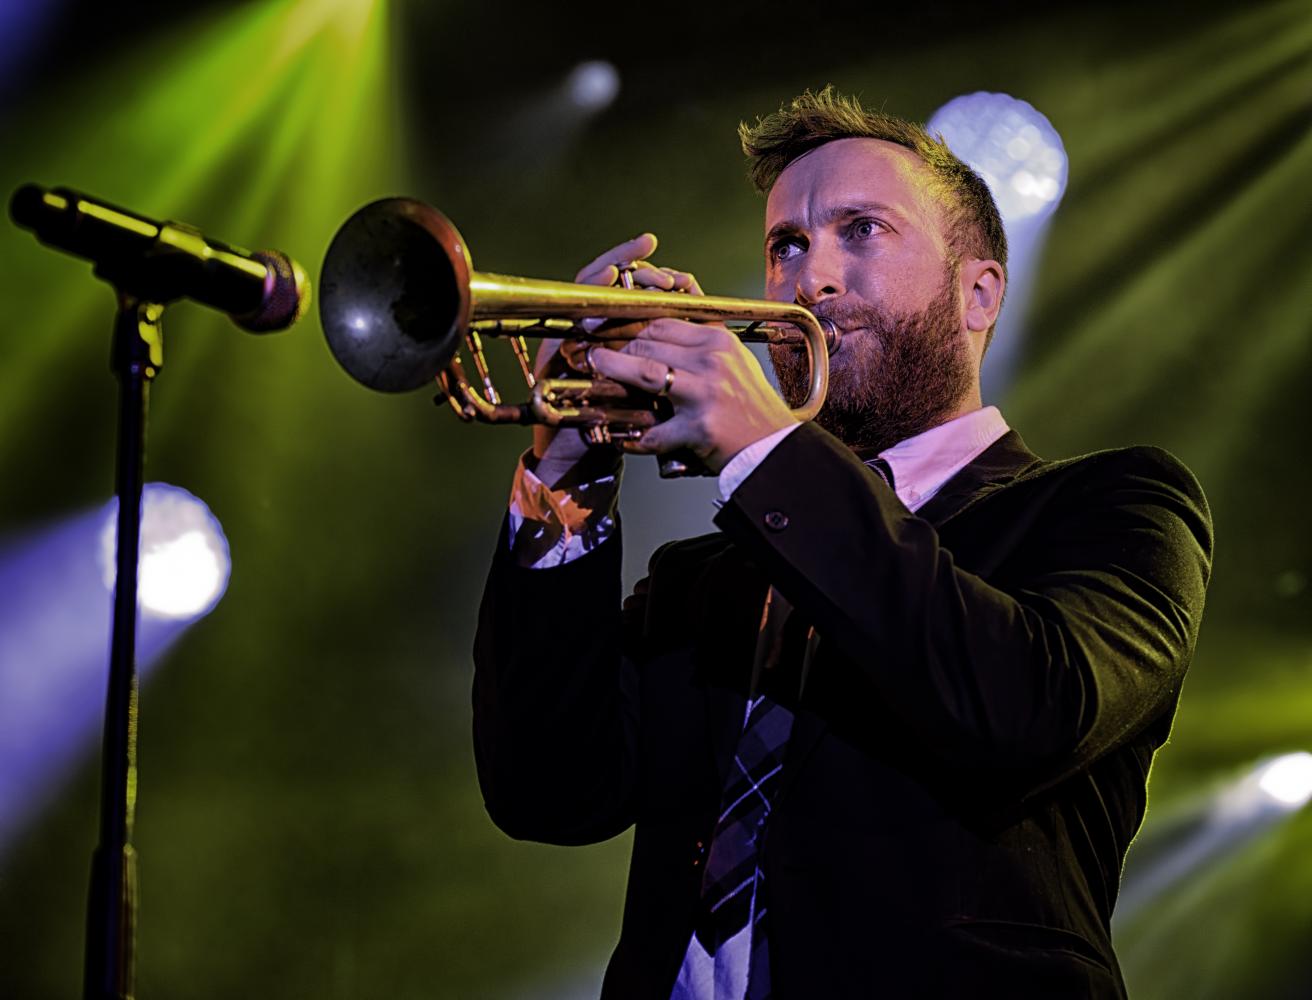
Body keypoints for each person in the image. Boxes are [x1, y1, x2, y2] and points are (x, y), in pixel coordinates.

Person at [471, 87, 1212, 999]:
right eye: (787, 245)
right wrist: (568, 473)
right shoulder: (703, 577)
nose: (810, 278)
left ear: (979, 293)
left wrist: (766, 449)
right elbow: (548, 792)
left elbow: (1026, 711)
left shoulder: (1116, 503)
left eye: (861, 231)